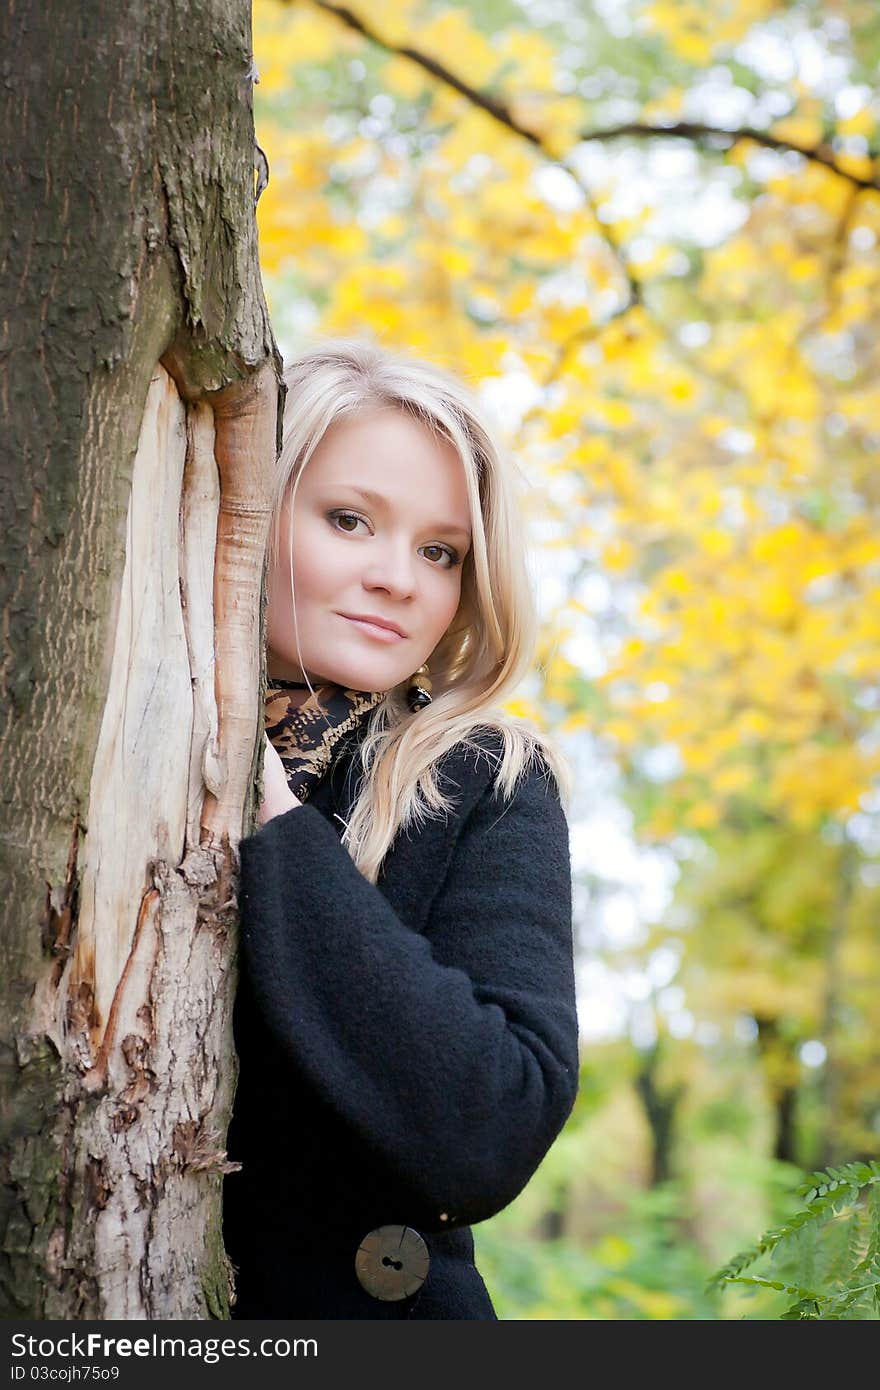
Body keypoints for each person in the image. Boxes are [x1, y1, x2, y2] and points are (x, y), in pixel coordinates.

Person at [222, 338, 579, 1320]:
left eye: (440, 551)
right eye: (348, 520)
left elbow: (496, 1128)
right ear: (248, 510)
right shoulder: (91, 730)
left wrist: (273, 820)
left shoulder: (484, 777)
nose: (398, 578)